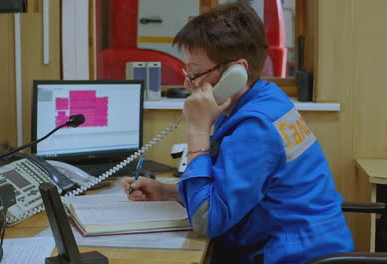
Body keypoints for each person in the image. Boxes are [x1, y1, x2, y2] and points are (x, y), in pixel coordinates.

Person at [121, 2, 354, 264]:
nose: (188, 84)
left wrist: (197, 129)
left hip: (295, 255)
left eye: (196, 73)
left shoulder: (256, 126)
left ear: (236, 72)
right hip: (299, 243)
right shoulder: (260, 100)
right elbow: (231, 188)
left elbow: (207, 220)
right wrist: (167, 192)